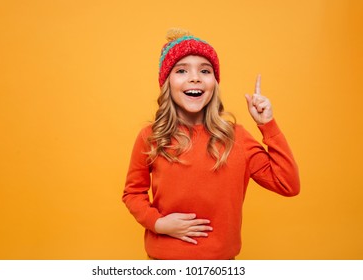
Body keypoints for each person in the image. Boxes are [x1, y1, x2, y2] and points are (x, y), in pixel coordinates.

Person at [122, 28, 300, 260]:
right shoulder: (151, 136)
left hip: (221, 263)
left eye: (205, 71)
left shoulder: (237, 138)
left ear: (214, 84)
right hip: (164, 261)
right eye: (182, 70)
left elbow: (287, 184)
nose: (195, 77)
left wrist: (268, 125)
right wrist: (158, 224)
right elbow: (132, 193)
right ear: (167, 83)